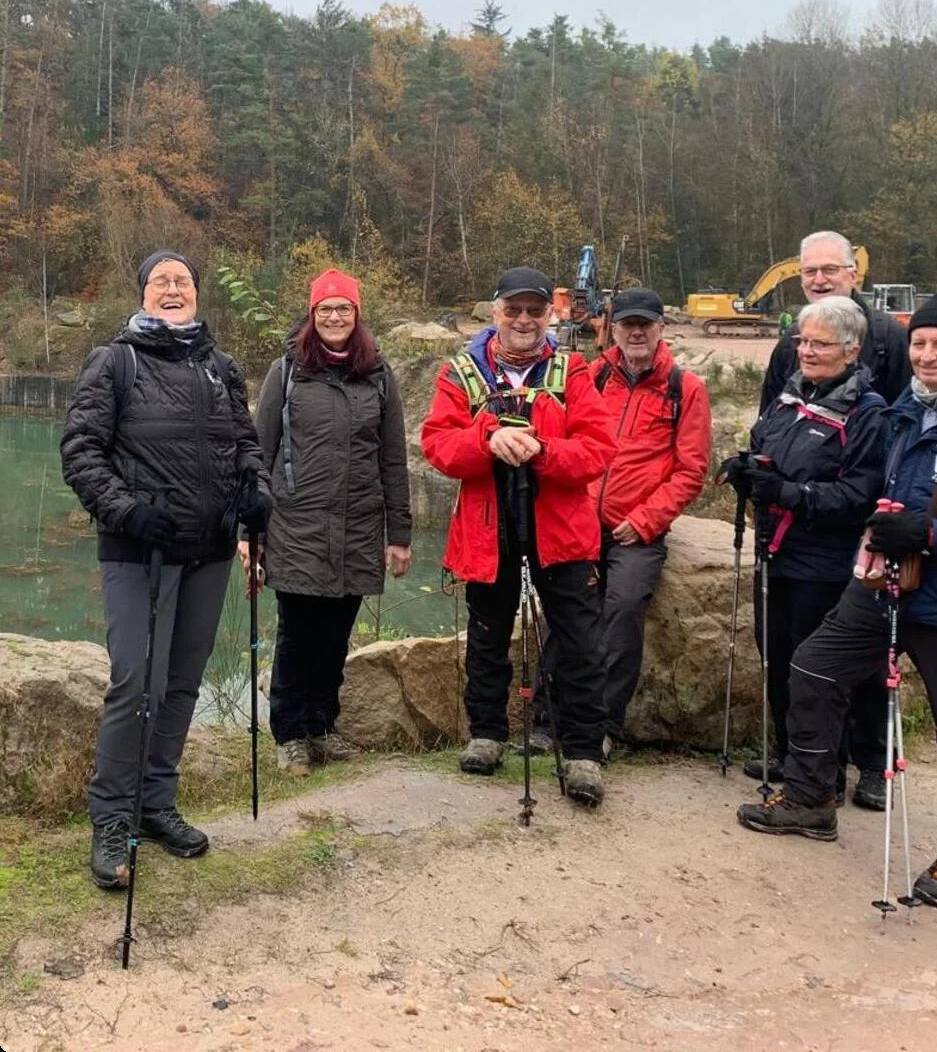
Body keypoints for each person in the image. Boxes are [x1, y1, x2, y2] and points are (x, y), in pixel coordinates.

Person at [737, 287, 937, 908]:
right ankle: (811, 796)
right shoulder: (908, 408)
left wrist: (929, 535)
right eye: (920, 343)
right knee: (814, 666)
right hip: (888, 587)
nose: (928, 355)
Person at [61, 250, 272, 890]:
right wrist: (125, 510)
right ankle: (112, 818)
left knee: (181, 684)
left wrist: (256, 491)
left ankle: (155, 803)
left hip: (209, 550)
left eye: (183, 281)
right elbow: (81, 450)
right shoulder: (114, 361)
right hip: (139, 552)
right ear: (144, 293)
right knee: (137, 684)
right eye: (161, 281)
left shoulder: (220, 366)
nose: (173, 288)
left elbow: (244, 445)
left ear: (198, 294)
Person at [421, 267, 617, 807]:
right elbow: (437, 445)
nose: (524, 320)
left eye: (535, 310)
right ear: (496, 313)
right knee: (487, 637)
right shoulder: (461, 372)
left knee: (580, 642)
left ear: (550, 314)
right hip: (488, 531)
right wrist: (488, 439)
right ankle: (486, 734)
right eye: (514, 310)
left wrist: (543, 451)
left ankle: (583, 751)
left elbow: (597, 450)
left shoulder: (573, 371)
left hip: (562, 532)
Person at [247, 269, 413, 777]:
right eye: (325, 309)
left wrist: (399, 534)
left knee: (336, 634)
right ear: (312, 314)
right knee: (297, 633)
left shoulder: (378, 376)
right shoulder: (287, 372)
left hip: (359, 526)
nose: (335, 317)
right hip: (296, 525)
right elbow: (259, 454)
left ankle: (322, 725)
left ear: (357, 314)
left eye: (344, 309)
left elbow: (393, 458)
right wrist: (249, 532)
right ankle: (290, 734)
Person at [532, 288, 711, 755]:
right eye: (628, 324)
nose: (636, 332)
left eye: (645, 325)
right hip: (580, 521)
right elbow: (565, 443)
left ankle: (600, 726)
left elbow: (691, 470)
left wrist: (647, 519)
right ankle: (547, 721)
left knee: (624, 608)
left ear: (660, 329)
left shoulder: (684, 387)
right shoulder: (590, 377)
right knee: (564, 609)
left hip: (637, 528)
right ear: (612, 329)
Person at [726, 296, 889, 809]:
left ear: (852, 350)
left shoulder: (868, 413)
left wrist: (794, 494)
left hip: (824, 561)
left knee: (813, 668)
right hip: (775, 550)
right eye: (803, 341)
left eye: (820, 344)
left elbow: (860, 494)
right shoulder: (790, 396)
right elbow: (767, 449)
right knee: (776, 657)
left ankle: (824, 777)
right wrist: (748, 469)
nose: (807, 351)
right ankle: (791, 754)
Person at [759, 231, 910, 411]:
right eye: (810, 271)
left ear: (853, 276)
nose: (819, 280)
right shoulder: (790, 342)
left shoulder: (890, 339)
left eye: (830, 270)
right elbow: (768, 417)